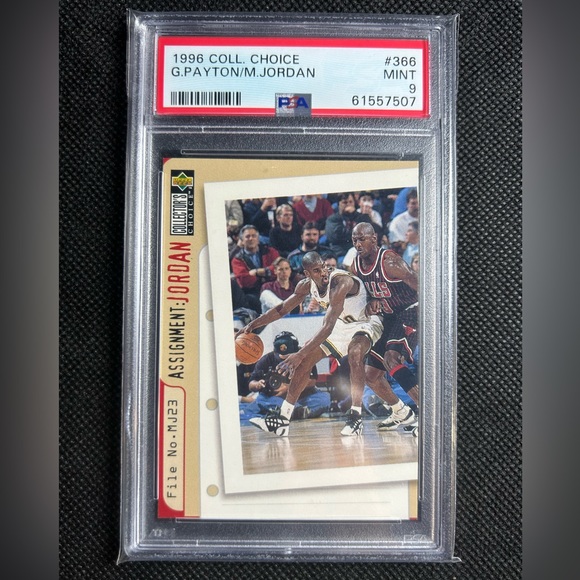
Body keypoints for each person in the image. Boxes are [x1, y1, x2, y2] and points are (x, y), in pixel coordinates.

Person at [236, 251, 383, 437]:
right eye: (316, 270)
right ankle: (283, 420)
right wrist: (252, 325)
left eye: (324, 267)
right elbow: (281, 309)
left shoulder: (340, 282)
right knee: (305, 362)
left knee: (354, 354)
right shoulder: (305, 285)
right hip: (342, 324)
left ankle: (355, 417)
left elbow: (327, 327)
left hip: (365, 321)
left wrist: (299, 354)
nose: (323, 272)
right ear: (307, 274)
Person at [350, 222, 420, 435]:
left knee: (392, 359)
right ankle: (401, 412)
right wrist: (370, 302)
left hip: (410, 311)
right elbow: (364, 296)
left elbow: (420, 285)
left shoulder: (390, 262)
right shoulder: (355, 266)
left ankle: (429, 416)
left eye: (362, 239)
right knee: (370, 375)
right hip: (388, 317)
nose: (358, 244)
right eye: (354, 240)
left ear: (374, 239)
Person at [239, 331, 331, 423]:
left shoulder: (305, 356)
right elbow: (251, 384)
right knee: (262, 399)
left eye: (288, 357)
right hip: (275, 398)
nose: (285, 360)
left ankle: (293, 411)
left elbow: (312, 381)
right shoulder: (266, 360)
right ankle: (300, 411)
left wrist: (290, 387)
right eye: (280, 357)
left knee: (324, 398)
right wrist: (258, 384)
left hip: (302, 396)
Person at [231, 224, 280, 313]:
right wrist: (267, 274)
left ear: (258, 239)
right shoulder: (237, 259)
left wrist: (257, 272)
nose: (251, 238)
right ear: (242, 240)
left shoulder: (270, 251)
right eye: (247, 236)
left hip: (274, 288)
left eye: (254, 236)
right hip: (253, 293)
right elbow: (245, 281)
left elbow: (279, 269)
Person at [324, 192, 373, 260]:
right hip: (341, 254)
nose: (348, 205)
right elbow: (335, 237)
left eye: (350, 202)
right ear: (338, 204)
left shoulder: (361, 217)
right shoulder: (333, 219)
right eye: (345, 202)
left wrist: (353, 214)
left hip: (360, 253)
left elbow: (368, 232)